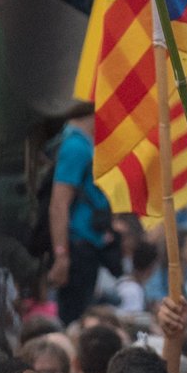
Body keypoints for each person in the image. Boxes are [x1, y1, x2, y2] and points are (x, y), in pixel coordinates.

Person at [42, 107, 114, 325]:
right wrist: (62, 255)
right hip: (77, 248)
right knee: (74, 317)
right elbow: (59, 204)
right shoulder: (76, 147)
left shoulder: (80, 144)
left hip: (84, 246)